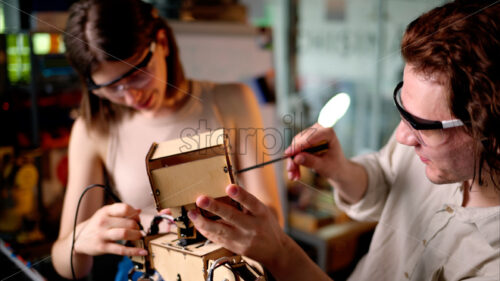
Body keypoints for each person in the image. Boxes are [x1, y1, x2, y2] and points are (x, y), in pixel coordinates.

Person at [188, 1, 500, 280]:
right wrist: (339, 169)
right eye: (402, 107)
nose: (403, 136)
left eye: (422, 125)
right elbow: (386, 178)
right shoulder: (427, 145)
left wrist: (280, 252)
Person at [50, 0, 283, 279]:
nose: (130, 97)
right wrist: (80, 240)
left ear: (162, 42)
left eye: (136, 76)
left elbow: (273, 223)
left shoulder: (233, 101)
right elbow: (69, 268)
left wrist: (226, 221)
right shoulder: (93, 129)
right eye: (111, 88)